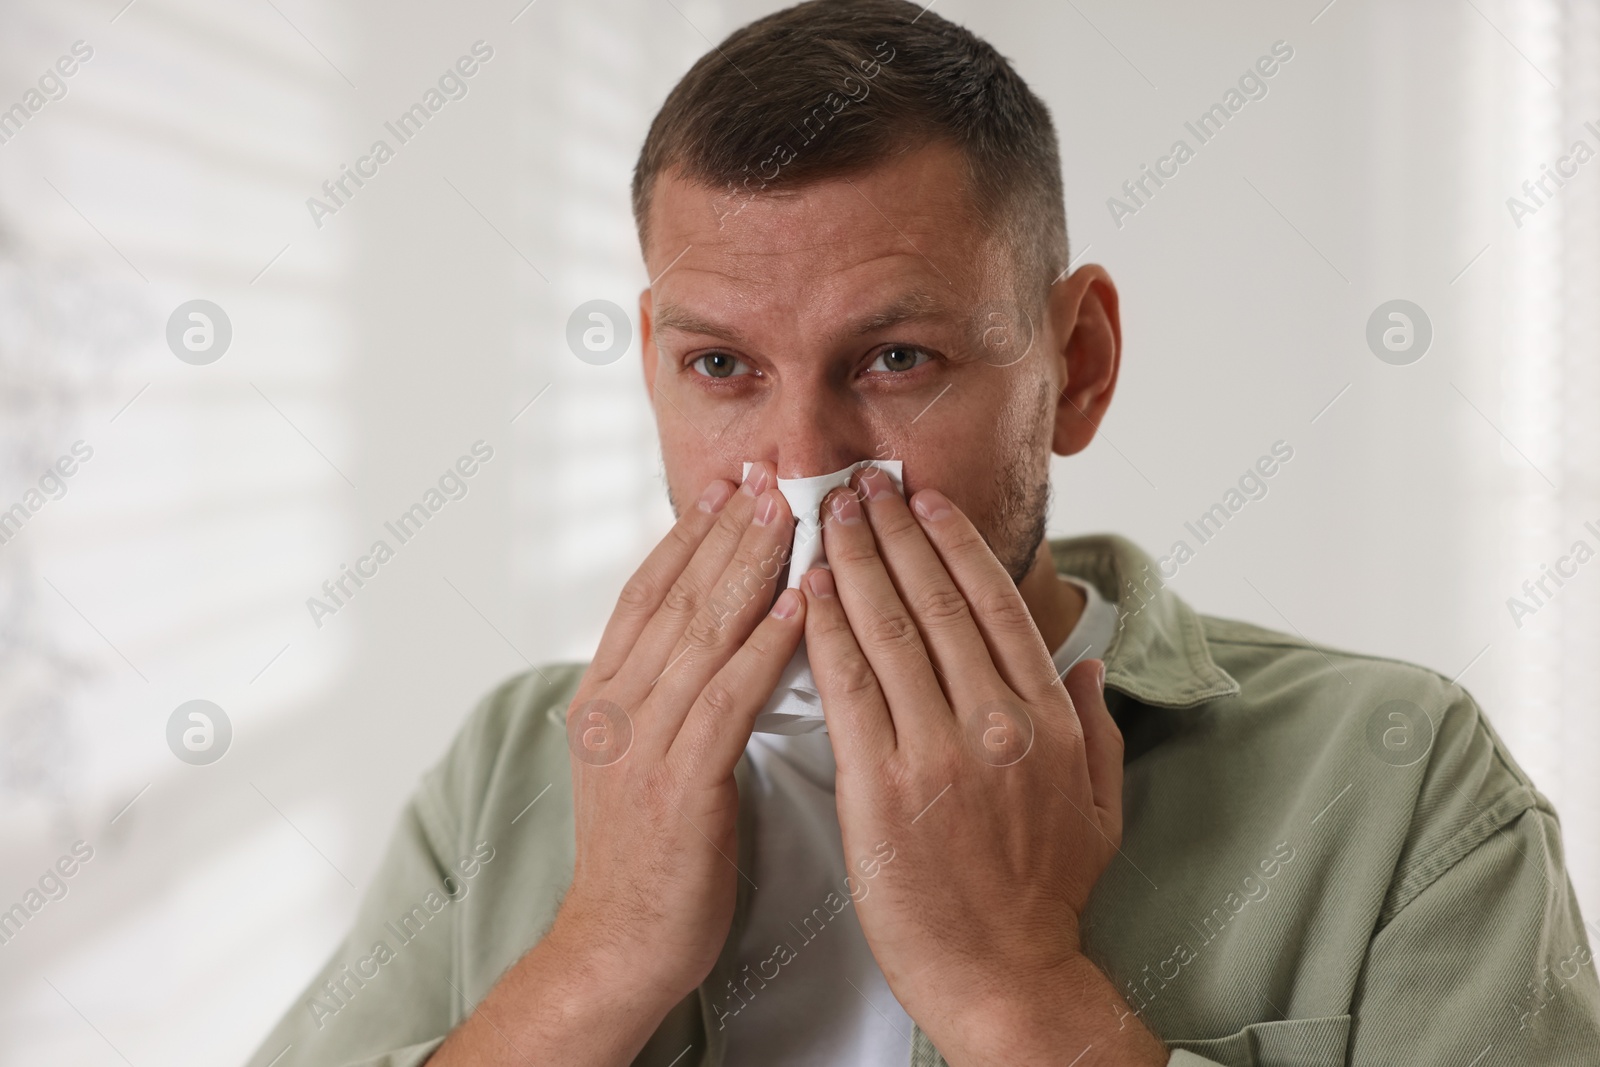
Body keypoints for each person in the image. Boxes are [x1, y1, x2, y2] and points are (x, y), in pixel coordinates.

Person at [249, 2, 1600, 1064]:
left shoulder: (1401, 783)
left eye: (894, 358)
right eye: (722, 367)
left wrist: (1017, 989)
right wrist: (599, 957)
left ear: (1077, 365)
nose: (800, 468)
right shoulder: (516, 764)